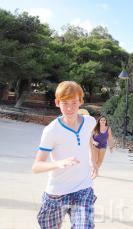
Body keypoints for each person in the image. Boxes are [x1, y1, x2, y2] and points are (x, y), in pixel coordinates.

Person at [32, 81, 98, 229]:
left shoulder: (90, 122)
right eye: (65, 103)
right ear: (57, 102)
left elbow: (88, 141)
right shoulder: (51, 131)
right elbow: (36, 166)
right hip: (56, 194)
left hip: (83, 189)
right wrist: (58, 164)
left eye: (74, 103)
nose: (69, 108)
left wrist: (93, 162)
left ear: (81, 101)